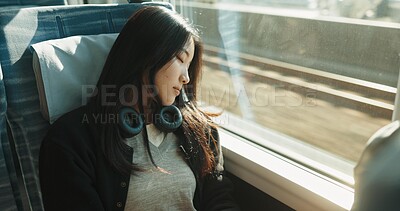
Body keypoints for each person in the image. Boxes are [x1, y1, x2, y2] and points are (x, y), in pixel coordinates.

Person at [39, 6, 239, 211]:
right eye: (180, 59)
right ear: (146, 55)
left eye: (189, 66)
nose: (186, 77)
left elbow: (220, 201)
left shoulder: (200, 131)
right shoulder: (71, 140)